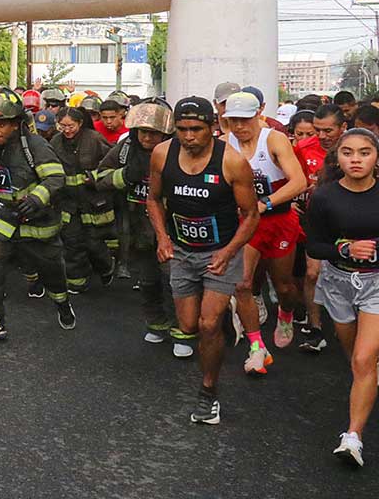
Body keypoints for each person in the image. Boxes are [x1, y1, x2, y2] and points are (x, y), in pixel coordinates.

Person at [146, 96, 260, 425]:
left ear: (212, 127)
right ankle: (223, 317)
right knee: (188, 326)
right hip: (182, 251)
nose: (188, 136)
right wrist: (162, 238)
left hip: (219, 253)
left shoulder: (232, 162)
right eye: (182, 129)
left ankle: (208, 392)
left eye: (196, 129)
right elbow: (153, 199)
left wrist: (229, 251)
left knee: (208, 325)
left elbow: (251, 215)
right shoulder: (162, 154)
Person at [0, 89, 73, 339]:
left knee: (51, 271)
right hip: (0, 218)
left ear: (16, 123)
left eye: (1, 124)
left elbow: (56, 178)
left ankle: (62, 302)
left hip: (36, 222)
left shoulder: (35, 146)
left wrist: (37, 198)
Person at [302, 128, 379, 467]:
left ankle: (353, 437)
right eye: (348, 153)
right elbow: (314, 245)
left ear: (376, 157)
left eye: (364, 152)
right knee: (354, 357)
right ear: (337, 157)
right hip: (338, 282)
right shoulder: (323, 196)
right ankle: (369, 379)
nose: (356, 159)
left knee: (362, 359)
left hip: (376, 282)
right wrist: (346, 248)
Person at [221, 91, 308, 372]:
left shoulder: (274, 139)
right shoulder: (224, 143)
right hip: (247, 223)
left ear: (258, 114)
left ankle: (286, 312)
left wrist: (265, 203)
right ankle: (257, 346)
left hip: (279, 220)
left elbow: (299, 182)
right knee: (242, 283)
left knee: (283, 286)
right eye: (233, 120)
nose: (239, 126)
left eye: (245, 119)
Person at [95, 100, 190, 356]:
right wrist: (125, 176)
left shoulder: (180, 150)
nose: (147, 138)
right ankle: (156, 324)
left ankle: (182, 332)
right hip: (137, 227)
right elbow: (100, 177)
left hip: (172, 227)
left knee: (175, 282)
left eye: (153, 133)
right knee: (147, 281)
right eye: (142, 132)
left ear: (165, 133)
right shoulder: (126, 149)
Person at [295, 104, 348, 352]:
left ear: (343, 127)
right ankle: (315, 329)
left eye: (328, 130)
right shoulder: (303, 148)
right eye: (318, 130)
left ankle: (349, 324)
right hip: (315, 219)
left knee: (348, 275)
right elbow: (291, 178)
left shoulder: (357, 149)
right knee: (312, 274)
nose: (322, 136)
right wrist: (291, 199)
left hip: (351, 223)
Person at [51, 107, 115, 294]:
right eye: (62, 126)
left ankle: (106, 268)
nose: (67, 130)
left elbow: (112, 162)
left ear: (80, 123)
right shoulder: (55, 142)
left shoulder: (94, 139)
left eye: (70, 126)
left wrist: (95, 177)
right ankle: (76, 282)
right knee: (72, 243)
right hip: (68, 203)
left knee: (94, 242)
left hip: (92, 201)